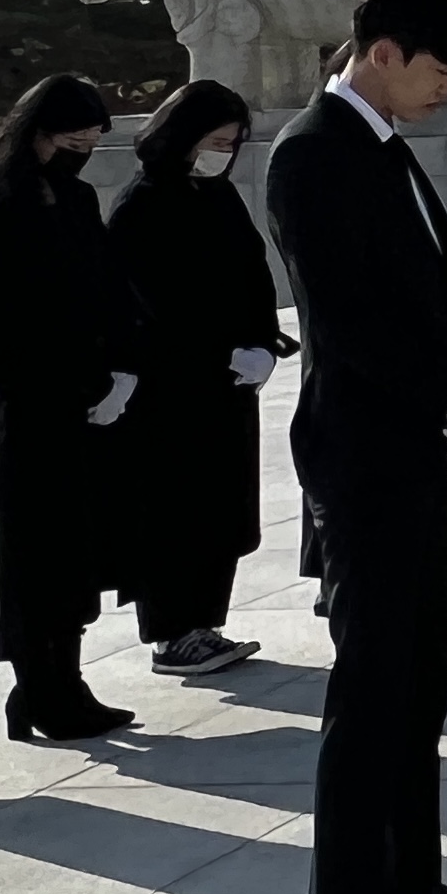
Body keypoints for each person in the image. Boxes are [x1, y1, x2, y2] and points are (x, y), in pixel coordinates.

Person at [266, 0, 447, 894]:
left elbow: (428, 296)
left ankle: (410, 883)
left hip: (420, 447)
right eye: (440, 68)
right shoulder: (313, 155)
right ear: (381, 52)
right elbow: (349, 319)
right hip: (365, 456)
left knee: (420, 686)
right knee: (368, 694)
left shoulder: (388, 153)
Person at [0, 74, 144, 742]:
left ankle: (62, 678)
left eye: (95, 139)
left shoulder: (76, 195)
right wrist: (83, 377)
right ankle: (39, 685)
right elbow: (12, 316)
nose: (85, 150)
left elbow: (106, 286)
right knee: (34, 553)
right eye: (75, 138)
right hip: (32, 404)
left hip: (88, 401)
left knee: (75, 553)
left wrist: (121, 367)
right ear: (37, 133)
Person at [104, 78, 287, 684]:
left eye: (232, 143)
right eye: (213, 141)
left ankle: (205, 620)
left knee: (220, 503)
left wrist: (262, 340)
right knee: (173, 507)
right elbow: (154, 302)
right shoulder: (143, 204)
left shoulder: (218, 195)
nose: (222, 154)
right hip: (174, 385)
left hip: (230, 381)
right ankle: (170, 631)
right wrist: (221, 351)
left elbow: (254, 273)